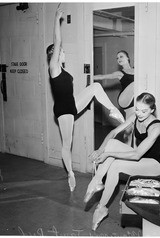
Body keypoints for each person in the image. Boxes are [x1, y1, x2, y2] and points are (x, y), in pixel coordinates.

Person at [46, 4, 124, 192]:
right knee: (67, 144)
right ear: (54, 55)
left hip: (72, 103)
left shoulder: (63, 70)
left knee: (96, 87)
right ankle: (71, 173)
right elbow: (57, 40)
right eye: (61, 52)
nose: (64, 53)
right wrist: (57, 19)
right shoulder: (54, 68)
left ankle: (112, 109)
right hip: (64, 110)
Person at [84, 92, 160, 231]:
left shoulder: (156, 127)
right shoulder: (136, 116)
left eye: (144, 111)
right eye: (137, 109)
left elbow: (136, 154)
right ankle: (96, 182)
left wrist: (108, 154)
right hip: (142, 158)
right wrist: (100, 150)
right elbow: (114, 132)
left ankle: (102, 208)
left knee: (115, 164)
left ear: (152, 110)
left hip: (154, 164)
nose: (139, 113)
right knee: (111, 143)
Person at [94, 51, 134, 144]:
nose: (119, 59)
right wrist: (87, 76)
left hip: (133, 102)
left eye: (121, 57)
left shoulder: (137, 70)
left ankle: (126, 150)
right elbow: (102, 77)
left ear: (128, 58)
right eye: (117, 58)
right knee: (135, 83)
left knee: (129, 130)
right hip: (124, 99)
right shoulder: (119, 73)